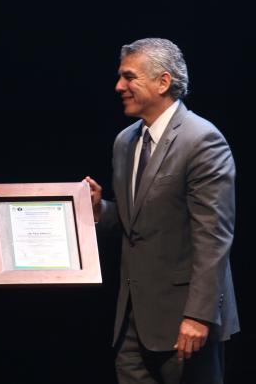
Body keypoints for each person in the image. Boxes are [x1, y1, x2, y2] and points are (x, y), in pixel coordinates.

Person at [85, 38, 239, 384]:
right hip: (133, 318)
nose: (119, 86)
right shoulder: (125, 141)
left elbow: (213, 237)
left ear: (163, 82)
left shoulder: (202, 140)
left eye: (129, 77)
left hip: (186, 320)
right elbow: (137, 222)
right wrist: (100, 210)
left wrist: (198, 316)